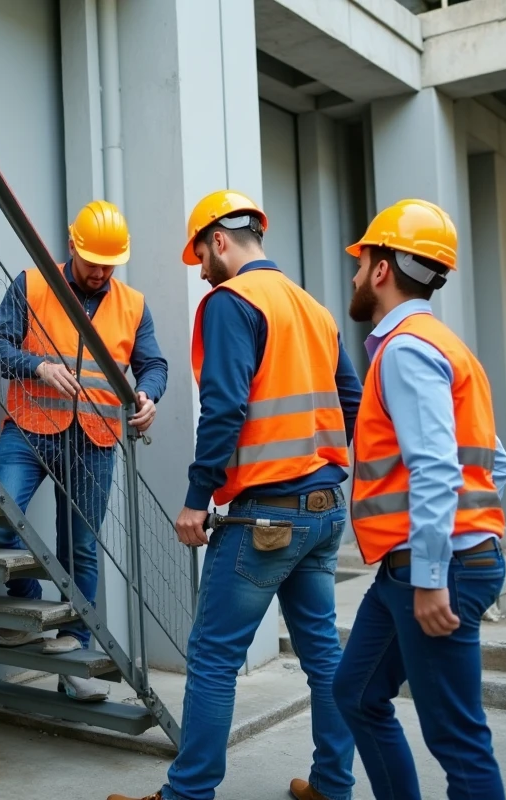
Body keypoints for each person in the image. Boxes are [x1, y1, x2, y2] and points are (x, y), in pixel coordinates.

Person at [109, 190, 363, 800]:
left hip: (265, 518)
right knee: (323, 656)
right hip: (325, 510)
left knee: (214, 656)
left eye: (200, 254)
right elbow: (352, 403)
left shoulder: (231, 303)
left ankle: (188, 794)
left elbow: (224, 408)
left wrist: (198, 498)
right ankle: (332, 785)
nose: (199, 270)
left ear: (219, 239)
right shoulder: (312, 309)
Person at [332, 198, 506, 800]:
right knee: (354, 694)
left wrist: (439, 569)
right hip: (413, 567)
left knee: (458, 741)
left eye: (361, 263)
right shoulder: (443, 345)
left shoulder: (406, 350)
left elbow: (437, 469)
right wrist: (465, 534)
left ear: (383, 269)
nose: (355, 275)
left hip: (432, 571)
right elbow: (496, 464)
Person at [0, 199, 168, 702]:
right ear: (71, 247)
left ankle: (76, 657)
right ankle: (29, 611)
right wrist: (37, 366)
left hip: (96, 438)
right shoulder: (32, 283)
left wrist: (148, 395)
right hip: (30, 426)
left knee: (80, 548)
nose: (101, 273)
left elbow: (154, 365)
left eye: (110, 264)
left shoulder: (133, 303)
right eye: (92, 263)